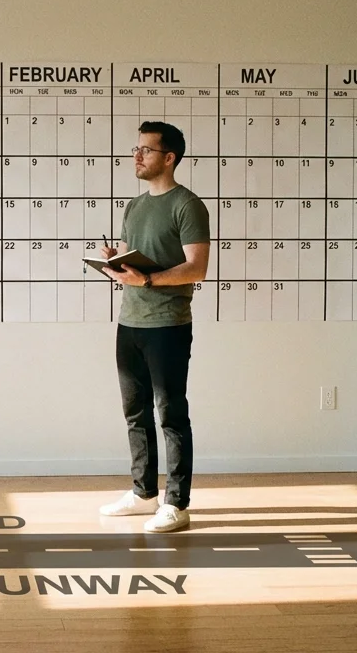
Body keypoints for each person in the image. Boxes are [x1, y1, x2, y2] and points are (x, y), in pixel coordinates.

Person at [96, 121, 211, 533]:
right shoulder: (135, 205)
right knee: (135, 413)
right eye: (136, 148)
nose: (137, 156)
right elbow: (135, 258)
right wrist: (116, 260)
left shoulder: (188, 205)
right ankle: (144, 493)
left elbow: (197, 268)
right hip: (130, 323)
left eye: (146, 149)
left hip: (168, 325)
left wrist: (146, 279)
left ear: (169, 157)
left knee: (171, 414)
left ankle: (176, 503)